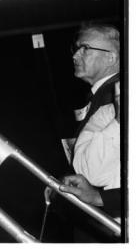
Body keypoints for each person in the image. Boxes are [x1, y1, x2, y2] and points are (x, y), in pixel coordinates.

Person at [58, 23, 121, 228]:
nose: (75, 56)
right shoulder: (101, 95)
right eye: (76, 49)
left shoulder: (117, 93)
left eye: (85, 48)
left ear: (111, 57)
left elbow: (92, 171)